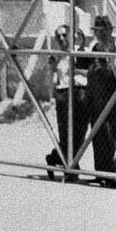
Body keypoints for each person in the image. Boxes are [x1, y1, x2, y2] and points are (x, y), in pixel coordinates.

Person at [45, 25, 90, 179]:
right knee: (65, 133)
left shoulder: (81, 52)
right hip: (64, 93)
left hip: (80, 92)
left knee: (80, 132)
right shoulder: (57, 55)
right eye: (59, 37)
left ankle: (55, 157)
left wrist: (77, 69)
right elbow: (54, 78)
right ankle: (70, 167)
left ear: (71, 35)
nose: (62, 39)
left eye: (64, 35)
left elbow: (88, 71)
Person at [86, 15, 116, 182]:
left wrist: (110, 57)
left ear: (110, 31)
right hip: (95, 96)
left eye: (103, 31)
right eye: (97, 31)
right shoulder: (95, 48)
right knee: (97, 134)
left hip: (111, 97)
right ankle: (99, 171)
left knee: (110, 134)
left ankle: (112, 173)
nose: (99, 34)